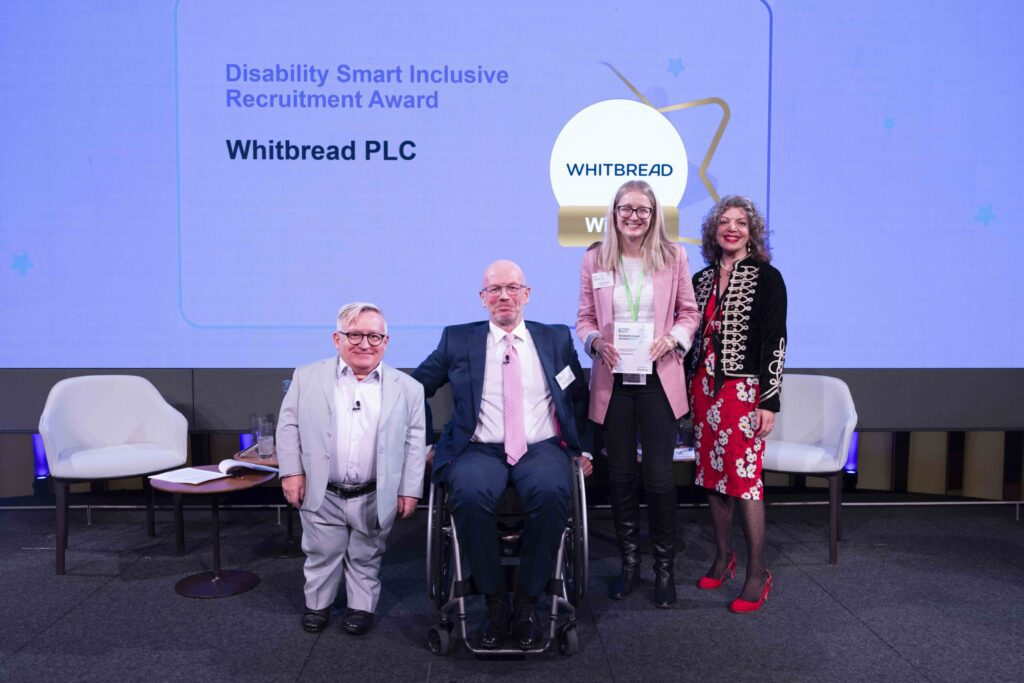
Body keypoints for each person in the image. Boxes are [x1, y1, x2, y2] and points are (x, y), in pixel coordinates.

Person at [413, 259, 591, 651]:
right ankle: (494, 603)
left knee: (549, 494)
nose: (504, 295)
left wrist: (582, 448)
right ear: (482, 299)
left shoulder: (555, 338)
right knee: (471, 496)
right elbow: (412, 390)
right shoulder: (457, 340)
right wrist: (425, 443)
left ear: (527, 294)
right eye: (494, 289)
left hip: (540, 447)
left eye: (512, 287)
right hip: (478, 448)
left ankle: (527, 603)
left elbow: (579, 396)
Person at [576, 179, 700, 608]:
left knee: (661, 479)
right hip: (614, 382)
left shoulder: (673, 256)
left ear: (654, 215)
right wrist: (594, 342)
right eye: (626, 209)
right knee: (622, 477)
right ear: (614, 213)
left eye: (642, 210)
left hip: (658, 380)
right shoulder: (595, 257)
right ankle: (630, 565)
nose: (634, 216)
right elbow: (584, 318)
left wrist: (674, 339)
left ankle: (663, 569)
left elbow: (689, 311)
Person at [277, 302, 426, 635]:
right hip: (322, 489)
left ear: (386, 342)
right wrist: (290, 472)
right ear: (336, 338)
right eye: (355, 334)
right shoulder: (307, 376)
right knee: (321, 551)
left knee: (367, 552)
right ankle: (318, 605)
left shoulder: (409, 389)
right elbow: (287, 427)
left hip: (375, 492)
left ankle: (361, 607)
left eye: (374, 336)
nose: (364, 343)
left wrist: (409, 489)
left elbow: (415, 442)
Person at [688, 195, 787, 613]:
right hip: (703, 388)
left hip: (744, 392)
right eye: (724, 222)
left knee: (745, 479)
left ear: (752, 232)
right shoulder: (701, 279)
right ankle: (724, 555)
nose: (732, 228)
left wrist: (769, 399)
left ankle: (757, 572)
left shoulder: (768, 278)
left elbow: (775, 341)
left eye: (741, 222)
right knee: (712, 475)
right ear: (714, 231)